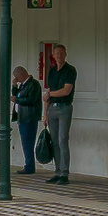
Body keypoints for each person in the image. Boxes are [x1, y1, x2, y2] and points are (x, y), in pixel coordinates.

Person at [42, 44, 76, 184]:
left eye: (61, 53)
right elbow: (47, 95)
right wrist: (45, 114)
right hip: (52, 109)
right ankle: (57, 171)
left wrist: (50, 94)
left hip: (64, 108)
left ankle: (64, 174)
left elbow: (66, 90)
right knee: (55, 141)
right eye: (57, 53)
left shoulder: (70, 70)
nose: (59, 56)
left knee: (63, 140)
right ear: (54, 56)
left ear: (65, 54)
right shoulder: (51, 71)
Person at [11, 66, 42, 174]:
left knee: (28, 142)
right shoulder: (23, 85)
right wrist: (14, 86)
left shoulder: (33, 84)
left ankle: (29, 166)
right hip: (22, 117)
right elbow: (16, 95)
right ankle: (28, 164)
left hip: (29, 117)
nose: (16, 79)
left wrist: (17, 100)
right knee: (25, 142)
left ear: (21, 75)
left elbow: (31, 100)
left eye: (16, 77)